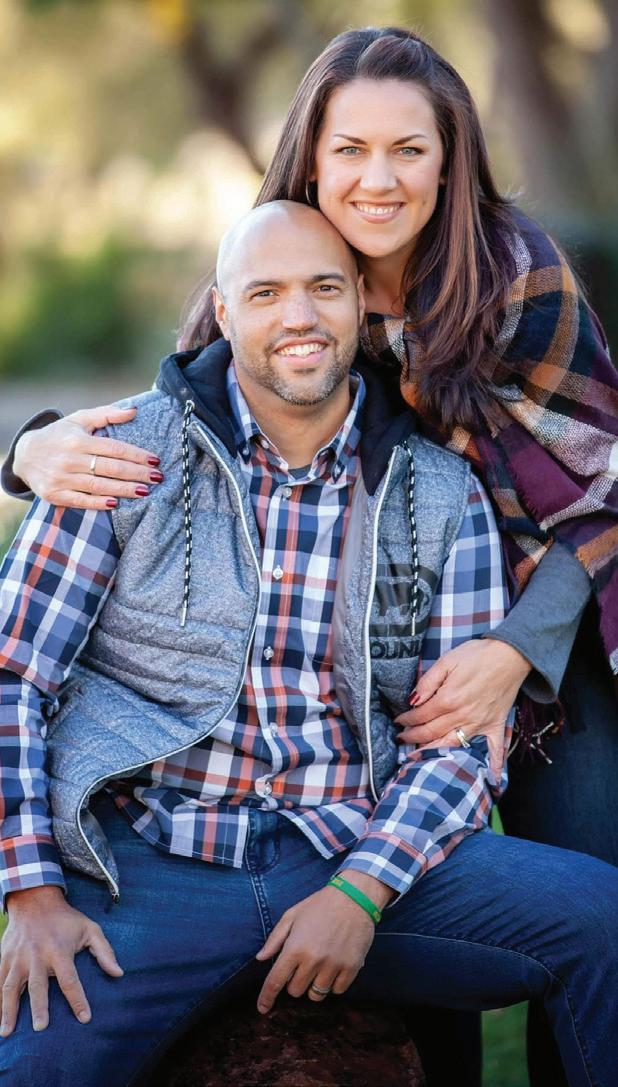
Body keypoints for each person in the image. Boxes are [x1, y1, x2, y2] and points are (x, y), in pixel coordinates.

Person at [2, 25, 617, 1087]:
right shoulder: (214, 364)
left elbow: (605, 480)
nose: (379, 179)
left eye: (409, 149)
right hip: (180, 842)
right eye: (351, 150)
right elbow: (18, 660)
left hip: (549, 616)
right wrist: (27, 450)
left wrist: (516, 652)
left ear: (449, 161)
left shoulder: (513, 291)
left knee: (591, 893)